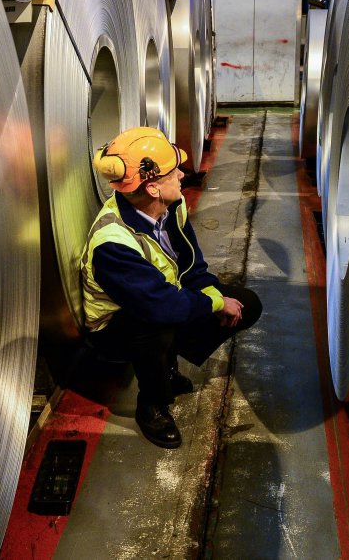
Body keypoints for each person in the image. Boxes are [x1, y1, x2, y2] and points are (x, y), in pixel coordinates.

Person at [81, 127, 262, 448]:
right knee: (156, 326)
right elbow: (158, 307)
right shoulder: (113, 243)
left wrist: (215, 296)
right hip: (113, 329)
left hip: (156, 303)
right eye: (173, 171)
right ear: (152, 188)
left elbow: (191, 263)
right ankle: (152, 403)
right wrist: (215, 306)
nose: (181, 173)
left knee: (245, 303)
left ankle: (167, 360)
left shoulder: (170, 205)